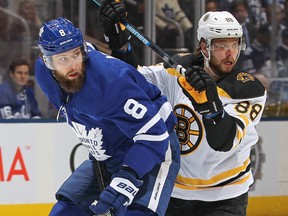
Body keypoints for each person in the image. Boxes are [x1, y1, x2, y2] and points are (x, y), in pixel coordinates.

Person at [99, 2, 267, 215]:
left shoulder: (248, 89)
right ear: (204, 47)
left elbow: (225, 141)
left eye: (234, 45)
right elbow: (129, 82)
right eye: (222, 45)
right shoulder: (176, 72)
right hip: (172, 191)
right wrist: (118, 43)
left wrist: (209, 101)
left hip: (225, 195)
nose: (230, 53)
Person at [35, 17, 180, 216]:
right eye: (63, 59)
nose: (73, 65)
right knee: (64, 212)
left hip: (151, 149)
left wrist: (125, 182)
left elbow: (155, 136)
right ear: (47, 61)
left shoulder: (111, 83)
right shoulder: (43, 73)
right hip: (107, 153)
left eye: (76, 54)